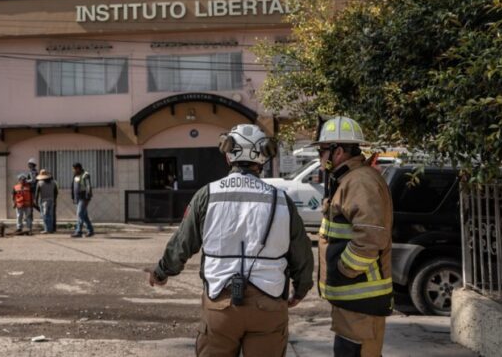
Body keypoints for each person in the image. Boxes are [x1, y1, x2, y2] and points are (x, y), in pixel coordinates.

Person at [146, 124, 314, 357]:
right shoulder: (281, 200)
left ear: (228, 156)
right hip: (269, 304)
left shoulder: (207, 195)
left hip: (220, 304)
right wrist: (301, 289)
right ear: (262, 158)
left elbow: (183, 243)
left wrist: (161, 272)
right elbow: (301, 252)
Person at [314, 116, 393, 357]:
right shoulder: (349, 179)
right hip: (353, 300)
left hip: (362, 298)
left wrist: (345, 270)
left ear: (338, 151)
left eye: (321, 150)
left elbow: (369, 237)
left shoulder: (360, 182)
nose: (319, 157)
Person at [70, 162, 94, 238]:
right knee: (84, 215)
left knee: (80, 214)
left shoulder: (85, 175)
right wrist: (73, 197)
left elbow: (88, 186)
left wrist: (88, 197)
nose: (73, 170)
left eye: (74, 169)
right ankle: (90, 231)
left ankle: (78, 232)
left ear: (78, 168)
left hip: (84, 197)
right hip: (78, 198)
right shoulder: (76, 175)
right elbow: (74, 186)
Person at [35, 169, 58, 234]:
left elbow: (37, 193)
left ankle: (47, 229)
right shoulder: (53, 182)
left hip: (43, 201)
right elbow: (56, 192)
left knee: (44, 215)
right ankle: (50, 229)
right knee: (50, 215)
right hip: (51, 200)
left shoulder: (39, 183)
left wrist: (36, 202)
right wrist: (54, 200)